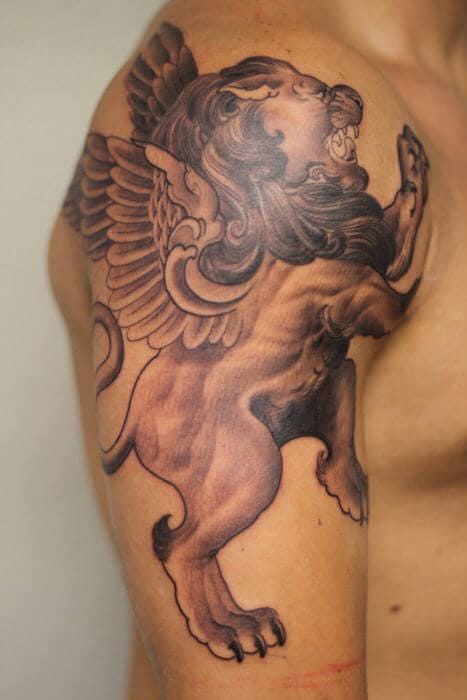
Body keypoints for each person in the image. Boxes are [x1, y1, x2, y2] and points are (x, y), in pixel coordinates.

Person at [48, 1, 467, 698]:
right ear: (256, 135)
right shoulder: (270, 59)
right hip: (221, 408)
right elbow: (373, 293)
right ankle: (193, 565)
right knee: (246, 480)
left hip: (285, 382)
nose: (320, 100)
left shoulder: (428, 79)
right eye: (300, 97)